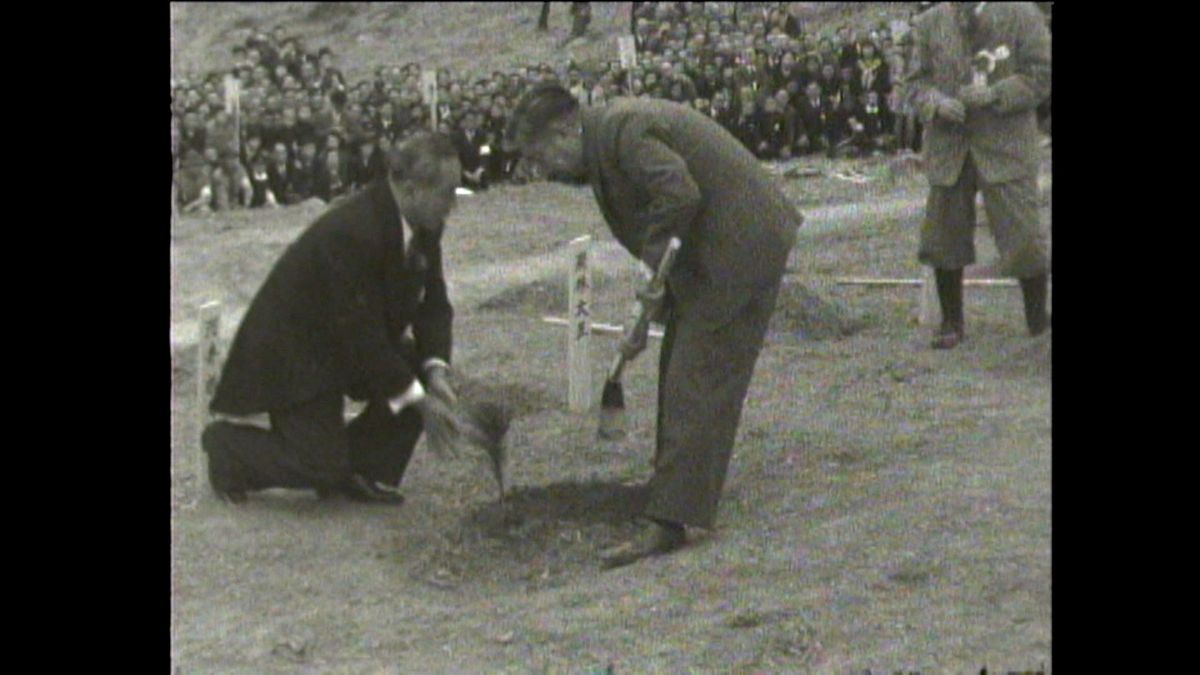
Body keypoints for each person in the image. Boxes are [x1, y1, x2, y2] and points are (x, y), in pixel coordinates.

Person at [506, 83, 802, 568]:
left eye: (542, 156)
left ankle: (671, 520)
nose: (546, 170)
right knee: (681, 364)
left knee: (696, 376)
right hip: (712, 252)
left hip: (738, 248)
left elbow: (678, 194)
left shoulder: (623, 130)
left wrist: (649, 274)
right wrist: (652, 311)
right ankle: (673, 492)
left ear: (564, 130)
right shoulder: (605, 138)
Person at [202, 132, 465, 504]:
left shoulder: (424, 225)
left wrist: (436, 371)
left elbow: (433, 304)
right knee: (317, 464)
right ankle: (228, 449)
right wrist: (420, 401)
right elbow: (360, 336)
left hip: (341, 346)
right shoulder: (355, 230)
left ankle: (360, 469)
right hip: (295, 355)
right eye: (447, 193)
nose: (453, 205)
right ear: (409, 189)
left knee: (419, 372)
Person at [906, 2, 1052, 349]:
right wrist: (936, 103)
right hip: (950, 148)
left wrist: (995, 93)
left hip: (1006, 146)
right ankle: (952, 322)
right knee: (943, 237)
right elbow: (913, 84)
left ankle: (1037, 321)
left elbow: (1042, 75)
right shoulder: (929, 22)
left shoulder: (1022, 14)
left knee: (1023, 234)